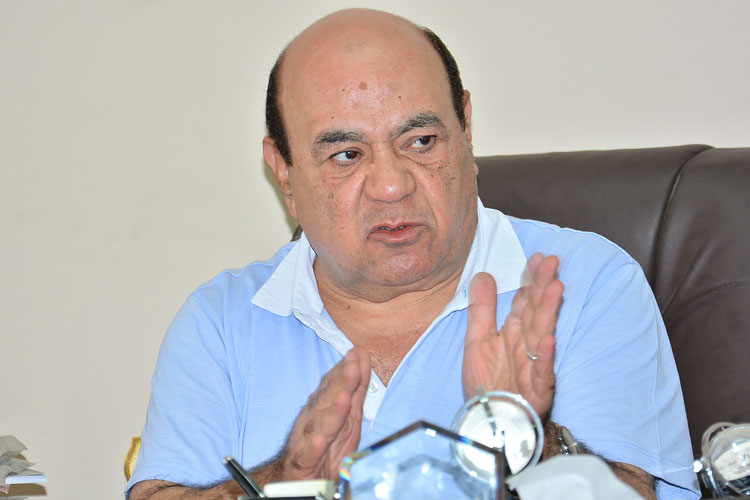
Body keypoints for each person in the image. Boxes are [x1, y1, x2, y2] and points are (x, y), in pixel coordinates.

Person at [127, 8, 700, 500]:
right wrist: (286, 482)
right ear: (285, 172)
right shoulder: (221, 321)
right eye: (347, 155)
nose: (391, 184)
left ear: (466, 129)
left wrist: (523, 438)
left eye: (421, 141)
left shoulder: (585, 284)